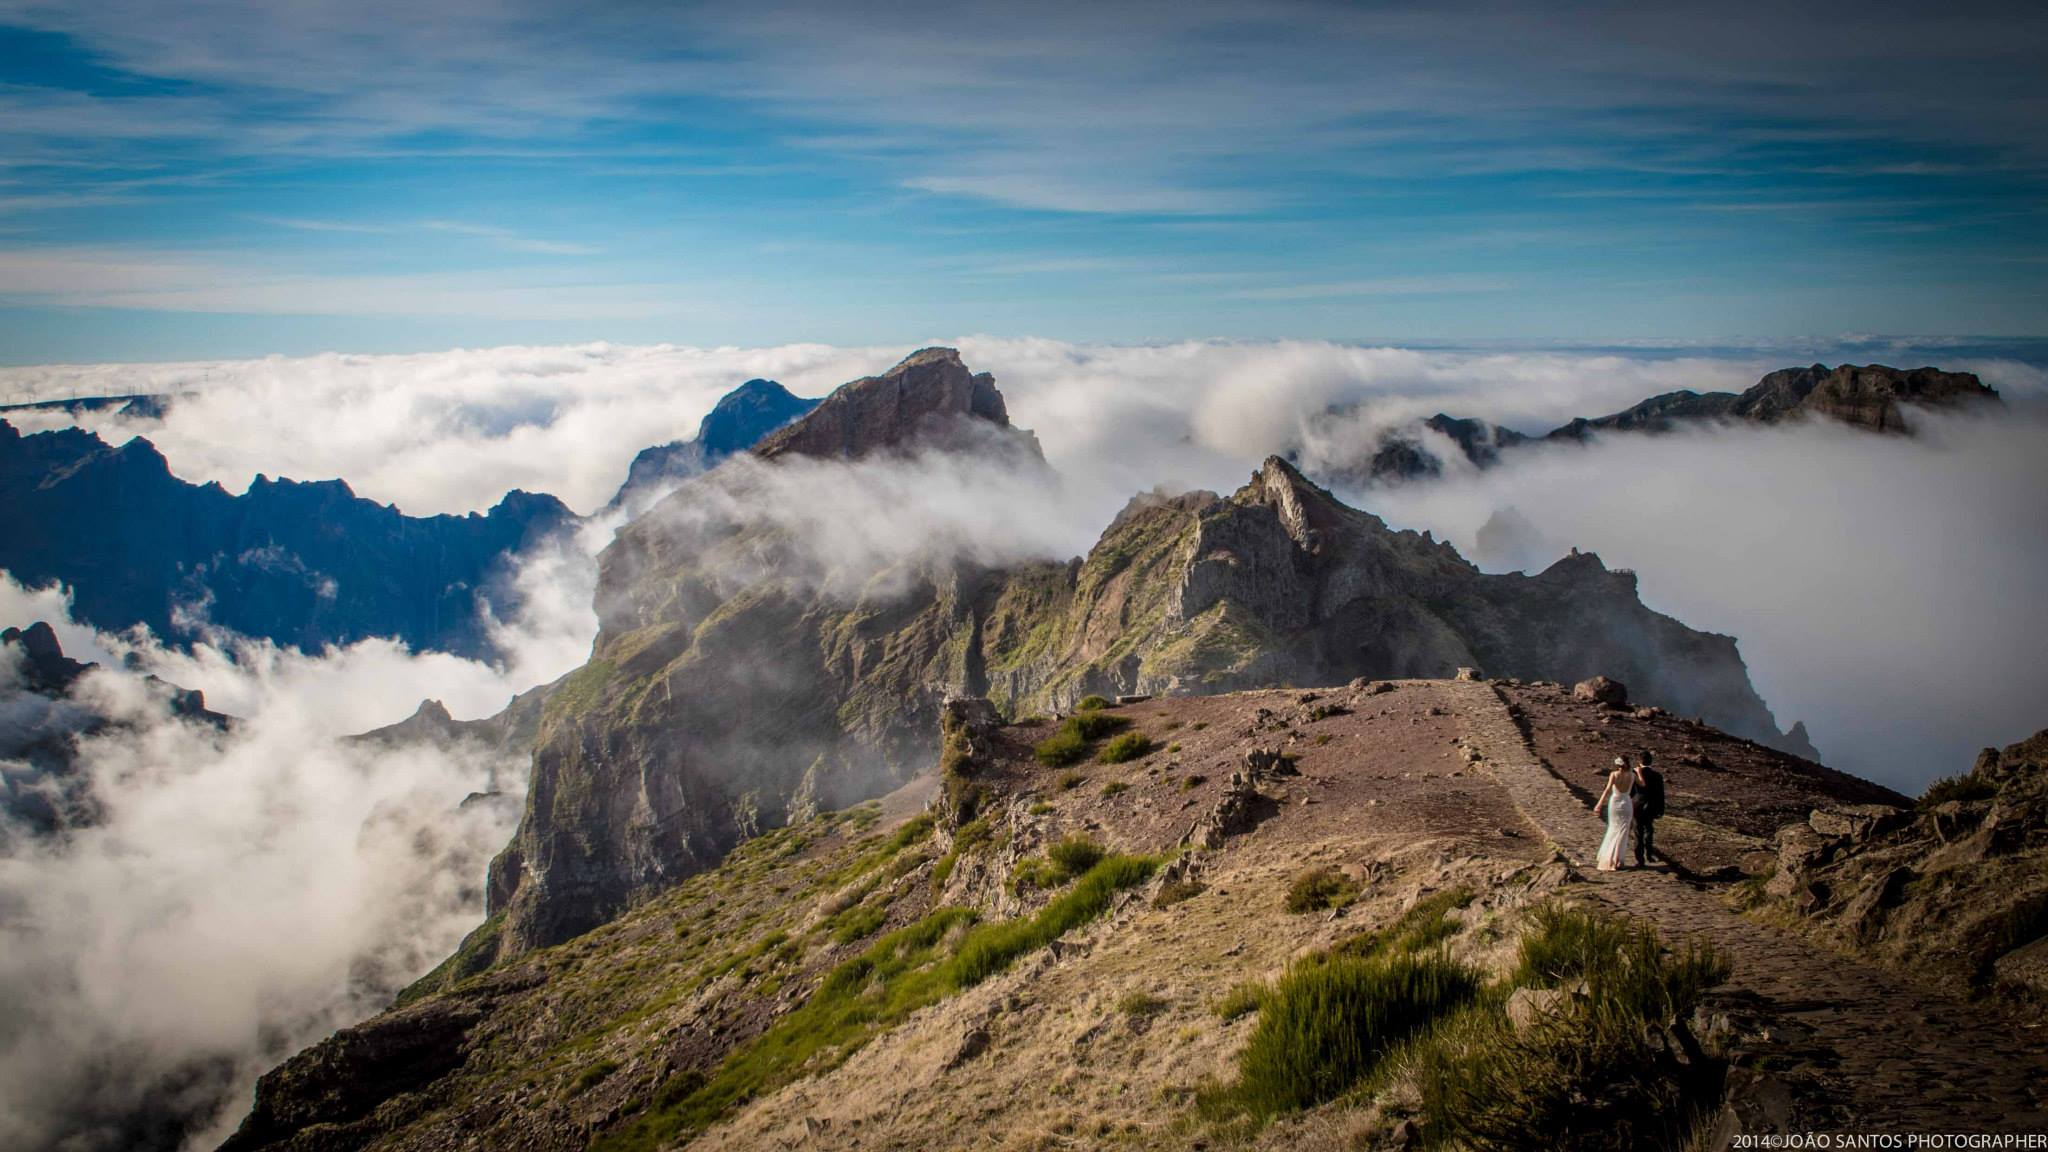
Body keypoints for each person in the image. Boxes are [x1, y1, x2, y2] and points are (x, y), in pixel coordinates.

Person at [1592, 755, 1635, 871]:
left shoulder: (1614, 775)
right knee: (1623, 831)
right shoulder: (1632, 775)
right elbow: (1642, 784)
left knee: (1613, 829)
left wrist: (1599, 804)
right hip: (1627, 803)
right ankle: (1618, 859)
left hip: (1615, 802)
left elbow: (1607, 790)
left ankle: (1610, 858)